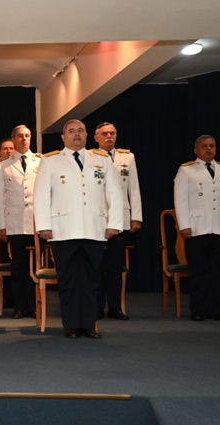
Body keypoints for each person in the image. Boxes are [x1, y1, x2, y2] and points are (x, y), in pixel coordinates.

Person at [34, 119, 122, 339]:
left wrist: (114, 223)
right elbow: (41, 195)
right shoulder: (50, 161)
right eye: (71, 131)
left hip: (95, 229)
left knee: (92, 279)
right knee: (69, 279)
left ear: (87, 136)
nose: (76, 134)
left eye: (80, 131)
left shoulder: (102, 160)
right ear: (63, 137)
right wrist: (43, 225)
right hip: (63, 230)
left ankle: (89, 325)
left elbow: (115, 194)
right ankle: (72, 325)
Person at [173, 135, 220, 322]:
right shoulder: (186, 170)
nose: (209, 149)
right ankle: (198, 309)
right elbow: (180, 200)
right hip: (197, 228)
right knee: (199, 270)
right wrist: (184, 225)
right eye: (204, 146)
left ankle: (215, 309)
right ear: (196, 150)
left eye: (212, 146)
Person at [93, 122, 142, 320]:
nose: (109, 136)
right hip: (97, 219)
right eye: (104, 134)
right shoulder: (90, 157)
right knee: (96, 266)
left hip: (121, 219)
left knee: (115, 267)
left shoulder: (127, 157)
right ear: (96, 137)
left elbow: (134, 187)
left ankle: (115, 307)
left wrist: (136, 217)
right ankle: (97, 306)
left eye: (112, 133)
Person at [0, 125, 40, 319]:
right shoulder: (2, 165)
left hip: (37, 224)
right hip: (14, 223)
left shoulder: (42, 161)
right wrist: (0, 226)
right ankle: (20, 306)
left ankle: (35, 305)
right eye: (20, 136)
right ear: (13, 139)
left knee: (36, 267)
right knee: (19, 266)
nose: (24, 139)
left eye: (27, 136)